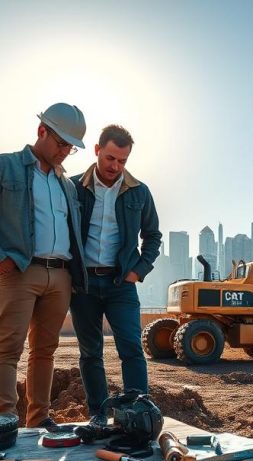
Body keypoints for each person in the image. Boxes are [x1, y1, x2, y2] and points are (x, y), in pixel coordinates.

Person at [0, 103, 88, 431]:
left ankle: (38, 420)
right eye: (61, 143)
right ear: (41, 131)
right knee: (8, 349)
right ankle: (2, 422)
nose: (64, 152)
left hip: (60, 275)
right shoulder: (3, 167)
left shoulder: (66, 185)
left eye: (70, 148)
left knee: (45, 351)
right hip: (18, 272)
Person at [69, 125, 161, 426]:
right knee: (90, 352)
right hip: (83, 284)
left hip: (121, 284)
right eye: (110, 158)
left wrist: (138, 271)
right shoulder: (72, 188)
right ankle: (98, 413)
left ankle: (137, 413)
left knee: (132, 349)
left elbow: (153, 237)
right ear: (97, 150)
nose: (115, 166)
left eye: (122, 161)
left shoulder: (139, 192)